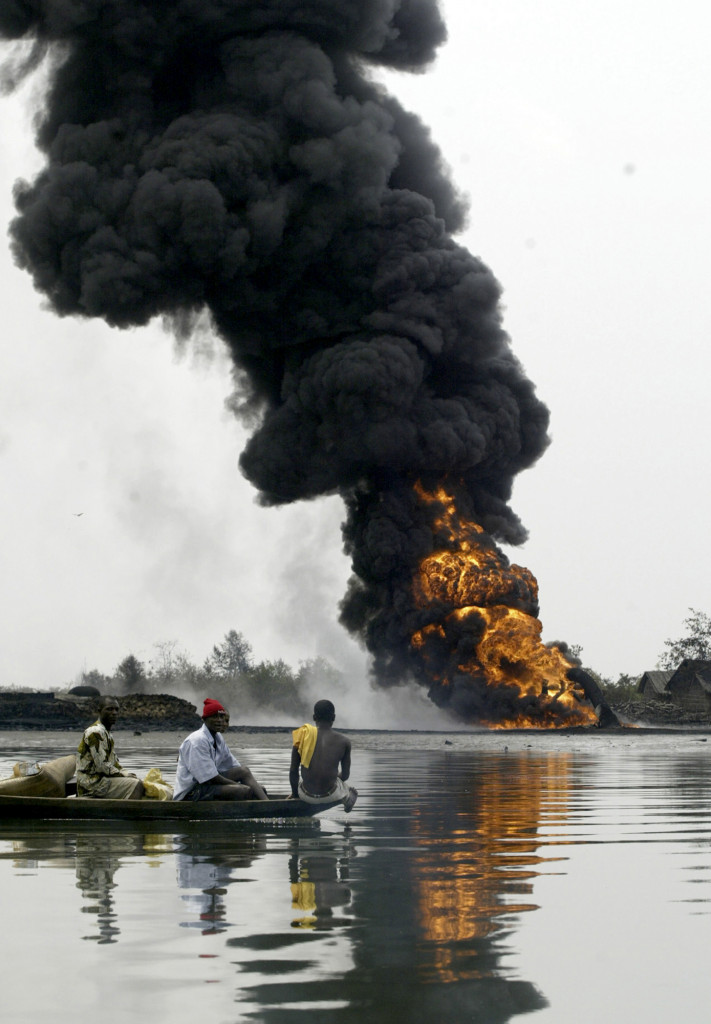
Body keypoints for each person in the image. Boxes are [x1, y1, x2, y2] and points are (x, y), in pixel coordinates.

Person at [173, 698, 268, 801]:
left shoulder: (218, 738)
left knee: (245, 772)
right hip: (192, 792)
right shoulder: (197, 741)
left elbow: (233, 765)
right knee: (242, 790)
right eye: (214, 716)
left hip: (207, 784)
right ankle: (262, 809)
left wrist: (254, 786)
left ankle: (267, 806)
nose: (219, 720)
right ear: (204, 719)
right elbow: (209, 778)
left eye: (221, 717)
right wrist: (239, 786)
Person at [290, 699, 358, 811]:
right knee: (344, 786)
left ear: (314, 717)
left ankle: (301, 792)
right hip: (331, 795)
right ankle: (346, 798)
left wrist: (295, 795)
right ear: (334, 718)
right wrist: (329, 779)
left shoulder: (302, 737)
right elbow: (345, 775)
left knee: (301, 781)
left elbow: (293, 772)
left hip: (306, 796)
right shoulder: (345, 742)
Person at [76, 696, 145, 799]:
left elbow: (114, 763)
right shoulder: (95, 732)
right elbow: (102, 766)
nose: (114, 713)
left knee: (137, 781)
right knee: (136, 785)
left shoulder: (107, 733)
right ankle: (128, 813)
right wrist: (123, 775)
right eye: (109, 709)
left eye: (116, 709)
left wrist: (127, 773)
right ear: (99, 711)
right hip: (91, 784)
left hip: (102, 780)